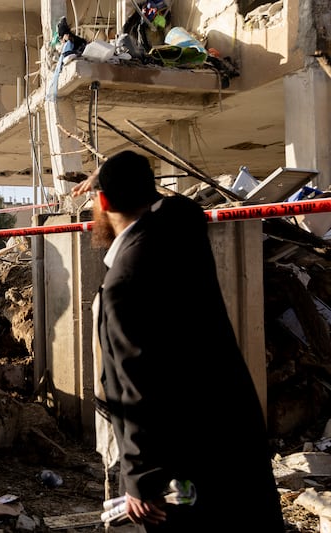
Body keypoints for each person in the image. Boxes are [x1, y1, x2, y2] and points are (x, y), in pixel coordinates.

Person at [80, 150, 284, 532]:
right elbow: (179, 205)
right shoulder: (182, 228)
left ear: (104, 201)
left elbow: (137, 389)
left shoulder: (122, 283)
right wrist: (109, 177)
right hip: (234, 438)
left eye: (95, 198)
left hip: (183, 463)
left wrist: (142, 483)